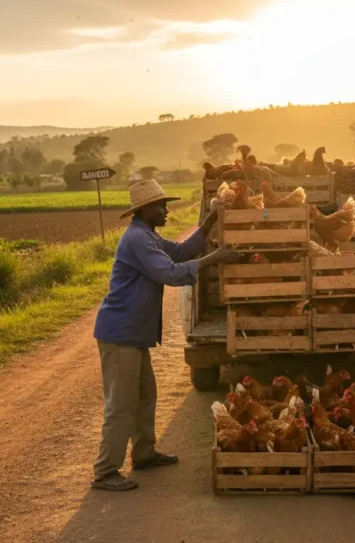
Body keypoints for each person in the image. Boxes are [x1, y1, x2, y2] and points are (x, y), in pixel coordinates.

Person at [91, 180, 239, 491]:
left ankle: (144, 453)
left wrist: (212, 219)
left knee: (146, 397)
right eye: (161, 206)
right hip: (120, 334)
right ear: (144, 210)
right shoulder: (138, 241)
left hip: (133, 335)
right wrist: (216, 258)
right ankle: (106, 471)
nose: (167, 210)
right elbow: (170, 273)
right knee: (121, 404)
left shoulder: (149, 237)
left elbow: (184, 250)